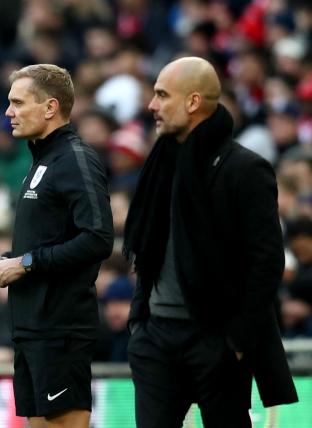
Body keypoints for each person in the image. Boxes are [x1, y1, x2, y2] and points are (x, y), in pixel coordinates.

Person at [123, 56, 298, 427]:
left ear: (193, 102)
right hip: (156, 338)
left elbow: (267, 262)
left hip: (216, 340)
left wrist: (235, 341)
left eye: (161, 95)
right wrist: (140, 322)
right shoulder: (160, 164)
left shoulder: (244, 169)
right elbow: (147, 250)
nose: (151, 105)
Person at [0, 64, 114, 428]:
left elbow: (98, 238)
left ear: (50, 107)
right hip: (31, 328)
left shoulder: (75, 158)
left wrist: (24, 262)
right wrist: (7, 260)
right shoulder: (41, 160)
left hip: (61, 329)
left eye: (17, 103)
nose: (8, 112)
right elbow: (47, 243)